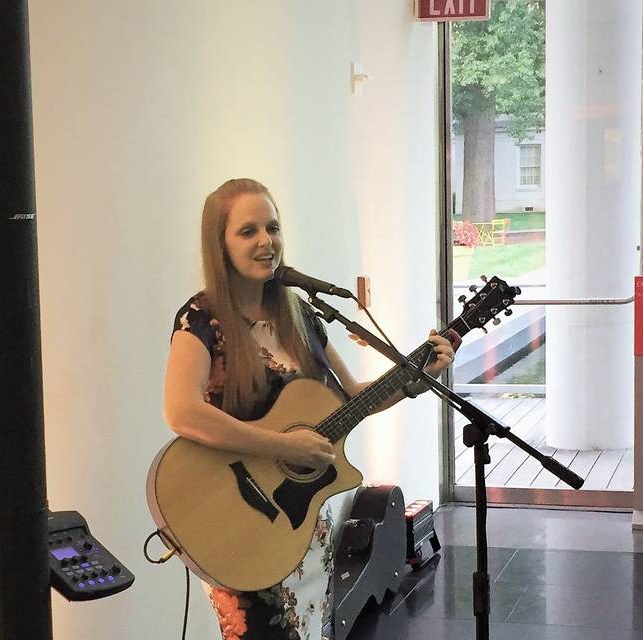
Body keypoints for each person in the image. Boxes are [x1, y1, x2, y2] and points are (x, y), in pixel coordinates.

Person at [162, 178, 456, 640]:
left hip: (301, 524)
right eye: (248, 231)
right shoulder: (202, 319)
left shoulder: (300, 315)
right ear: (219, 244)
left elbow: (355, 396)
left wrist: (420, 378)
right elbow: (182, 413)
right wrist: (282, 444)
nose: (266, 241)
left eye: (273, 227)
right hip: (234, 520)